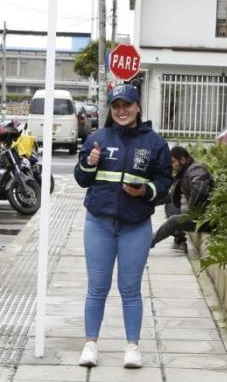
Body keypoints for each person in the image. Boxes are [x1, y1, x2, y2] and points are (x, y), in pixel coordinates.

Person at [73, 84, 172, 370]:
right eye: (116, 105)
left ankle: (132, 348)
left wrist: (145, 192)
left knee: (130, 288)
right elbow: (82, 179)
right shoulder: (97, 138)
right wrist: (89, 163)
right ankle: (90, 345)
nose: (121, 110)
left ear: (138, 107)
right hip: (99, 224)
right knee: (97, 287)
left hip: (135, 225)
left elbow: (165, 184)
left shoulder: (154, 143)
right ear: (110, 109)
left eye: (126, 105)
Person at [150, 146, 214, 252]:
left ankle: (147, 243)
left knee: (174, 220)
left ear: (182, 160)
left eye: (173, 162)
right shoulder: (184, 172)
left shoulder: (196, 170)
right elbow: (171, 196)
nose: (171, 166)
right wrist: (148, 201)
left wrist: (188, 214)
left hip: (203, 220)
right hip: (195, 215)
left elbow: (200, 190)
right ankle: (180, 241)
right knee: (170, 205)